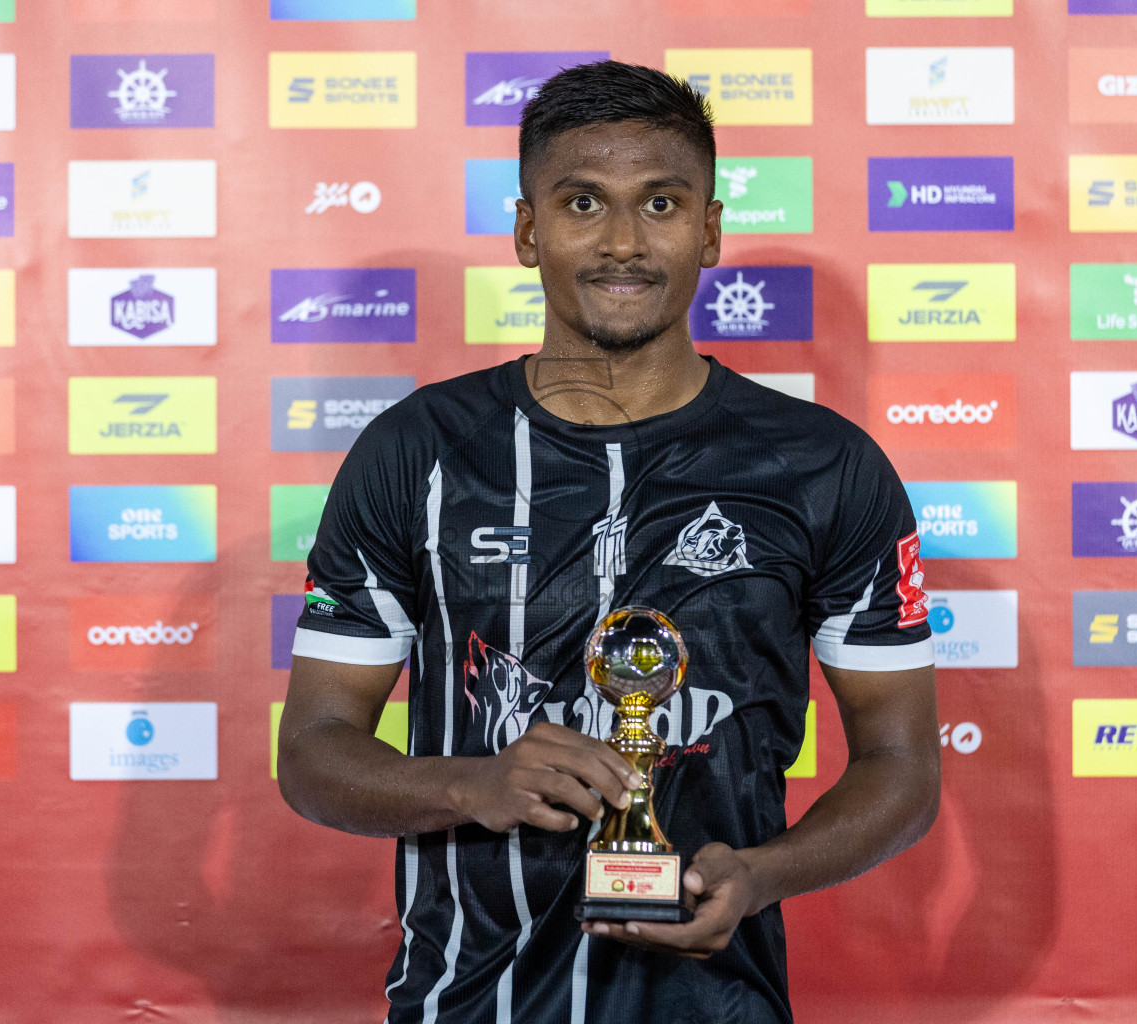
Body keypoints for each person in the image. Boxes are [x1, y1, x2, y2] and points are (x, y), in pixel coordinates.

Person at [277, 59, 940, 1024]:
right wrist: (476, 782)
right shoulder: (416, 454)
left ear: (710, 232)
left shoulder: (825, 467)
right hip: (470, 1004)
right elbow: (311, 752)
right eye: (583, 202)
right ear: (526, 230)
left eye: (662, 203)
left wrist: (761, 875)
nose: (623, 242)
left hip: (719, 1005)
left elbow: (903, 767)